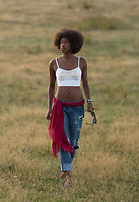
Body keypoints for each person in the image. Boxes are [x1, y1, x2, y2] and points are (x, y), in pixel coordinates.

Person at [46, 28, 94, 186]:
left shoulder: (82, 62)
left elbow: (85, 84)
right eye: (60, 42)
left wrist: (89, 101)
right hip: (60, 106)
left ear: (73, 44)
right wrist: (50, 107)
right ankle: (68, 175)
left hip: (77, 106)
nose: (62, 45)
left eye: (66, 42)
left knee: (73, 141)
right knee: (63, 139)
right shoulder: (54, 63)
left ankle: (65, 168)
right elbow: (51, 87)